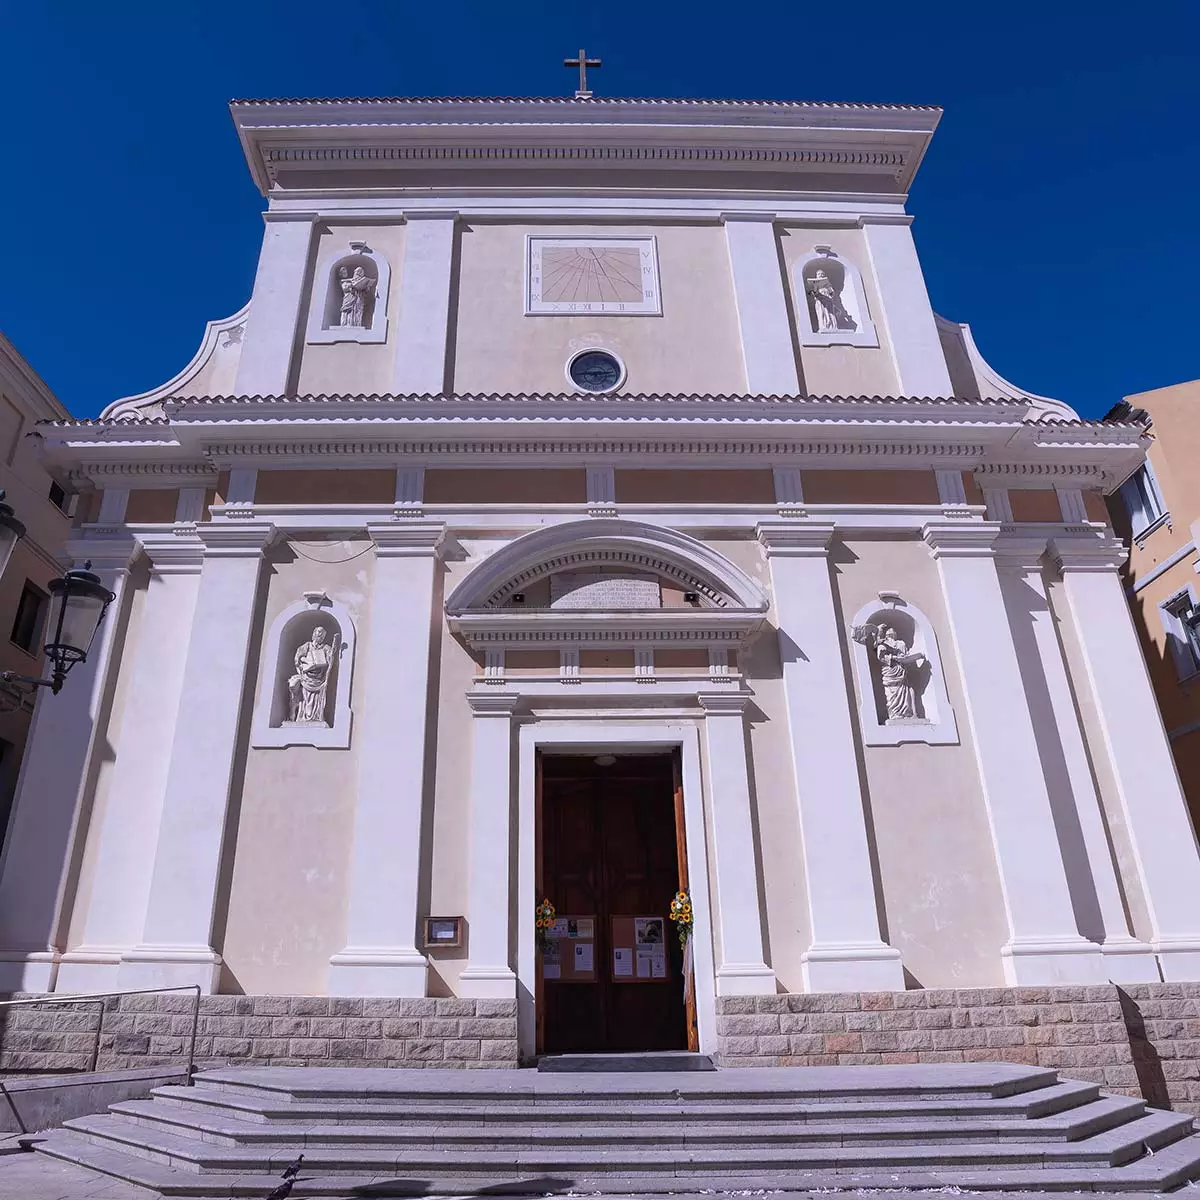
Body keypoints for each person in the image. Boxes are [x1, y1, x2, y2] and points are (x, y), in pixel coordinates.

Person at [288, 626, 335, 725]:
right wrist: (306, 662)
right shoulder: (307, 646)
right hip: (307, 677)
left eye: (322, 635)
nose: (320, 635)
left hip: (319, 678)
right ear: (314, 634)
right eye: (318, 632)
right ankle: (302, 717)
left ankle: (316, 717)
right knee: (305, 699)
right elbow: (298, 658)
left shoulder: (326, 648)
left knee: (316, 700)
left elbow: (330, 660)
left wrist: (331, 655)